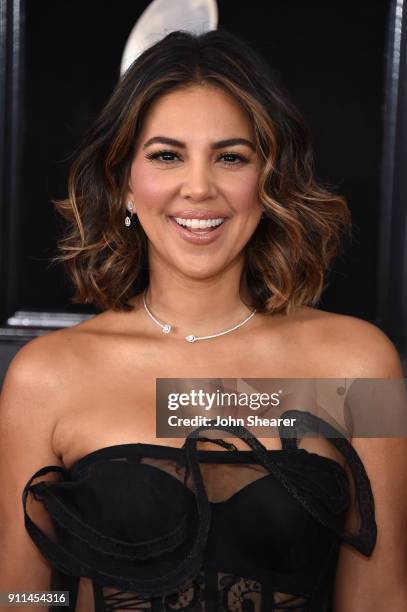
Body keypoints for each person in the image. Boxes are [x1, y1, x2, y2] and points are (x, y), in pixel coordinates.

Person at [0, 28, 406, 612]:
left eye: (230, 157)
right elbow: (20, 597)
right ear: (124, 185)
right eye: (167, 155)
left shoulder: (359, 367)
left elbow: (382, 598)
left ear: (267, 182)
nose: (199, 188)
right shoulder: (46, 376)